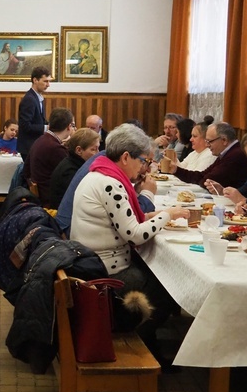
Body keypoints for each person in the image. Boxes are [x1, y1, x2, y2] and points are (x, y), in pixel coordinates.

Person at [70, 124, 189, 362]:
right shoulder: (109, 183)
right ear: (126, 157)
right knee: (169, 288)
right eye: (144, 160)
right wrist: (169, 215)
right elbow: (134, 235)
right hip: (106, 272)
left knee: (159, 273)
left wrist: (152, 216)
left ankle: (149, 346)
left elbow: (121, 221)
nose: (145, 167)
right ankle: (134, 347)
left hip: (94, 262)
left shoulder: (100, 174)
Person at [167, 122, 247, 189]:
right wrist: (176, 170)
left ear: (224, 140)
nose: (207, 145)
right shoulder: (226, 153)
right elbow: (202, 175)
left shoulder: (235, 155)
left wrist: (203, 180)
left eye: (210, 141)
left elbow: (207, 181)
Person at [23, 107, 75, 208]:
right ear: (69, 127)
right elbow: (71, 176)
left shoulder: (41, 140)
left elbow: (26, 171)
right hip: (51, 199)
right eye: (73, 125)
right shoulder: (55, 148)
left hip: (41, 196)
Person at [48, 127, 100, 209]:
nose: (98, 153)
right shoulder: (70, 171)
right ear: (79, 150)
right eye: (93, 149)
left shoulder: (74, 163)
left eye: (98, 148)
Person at [17, 67, 51, 159]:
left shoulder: (37, 97)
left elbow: (39, 120)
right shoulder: (29, 99)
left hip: (34, 146)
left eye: (49, 81)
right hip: (29, 147)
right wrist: (46, 128)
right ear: (35, 80)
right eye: (45, 81)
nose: (48, 85)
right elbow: (25, 125)